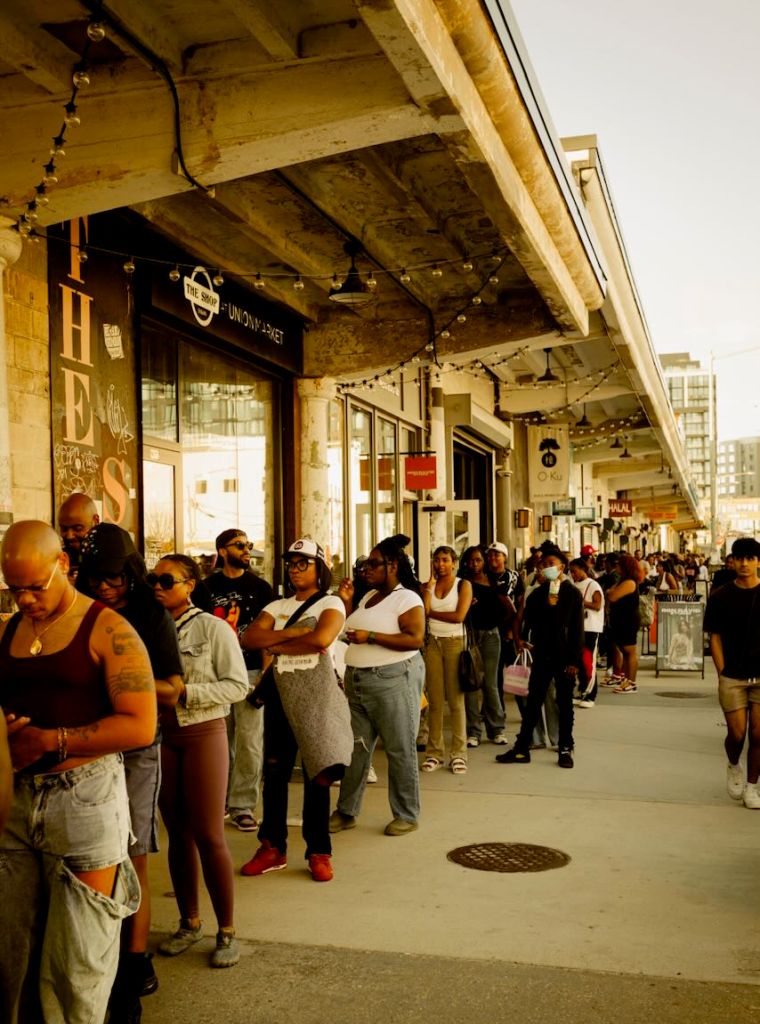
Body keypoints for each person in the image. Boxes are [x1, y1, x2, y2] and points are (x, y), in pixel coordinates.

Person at [0, 520, 155, 1024]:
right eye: (13, 588)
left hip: (85, 800)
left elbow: (140, 724)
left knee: (76, 968)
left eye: (34, 587)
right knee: (12, 957)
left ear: (62, 565)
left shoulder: (109, 628)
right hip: (17, 802)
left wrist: (51, 740)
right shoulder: (12, 628)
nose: (24, 600)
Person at [76, 523, 184, 1022]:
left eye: (114, 579)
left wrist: (122, 678)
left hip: (140, 743)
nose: (104, 588)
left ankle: (136, 955)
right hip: (91, 740)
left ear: (132, 574)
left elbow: (175, 686)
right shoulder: (82, 610)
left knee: (135, 846)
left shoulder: (148, 613)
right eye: (95, 579)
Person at [152, 554, 248, 968]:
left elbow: (238, 685)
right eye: (153, 579)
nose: (158, 585)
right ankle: (189, 922)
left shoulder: (212, 628)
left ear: (190, 584)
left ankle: (226, 930)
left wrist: (188, 693)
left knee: (209, 833)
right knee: (177, 832)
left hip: (203, 732)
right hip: (162, 735)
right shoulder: (146, 630)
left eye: (167, 579)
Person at [241, 539, 351, 879]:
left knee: (318, 773)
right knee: (274, 773)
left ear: (320, 568)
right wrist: (298, 631)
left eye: (304, 562)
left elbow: (321, 639)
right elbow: (248, 638)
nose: (295, 568)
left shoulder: (332, 602)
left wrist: (277, 639)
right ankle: (272, 846)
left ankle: (319, 851)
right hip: (280, 697)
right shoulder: (278, 604)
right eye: (291, 562)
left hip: (316, 698)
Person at [330, 534, 426, 836]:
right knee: (356, 749)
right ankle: (346, 811)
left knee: (399, 748)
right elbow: (349, 629)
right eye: (365, 564)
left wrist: (370, 638)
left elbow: (415, 638)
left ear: (393, 565)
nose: (365, 569)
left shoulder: (407, 598)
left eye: (373, 564)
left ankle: (406, 814)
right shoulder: (369, 597)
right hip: (358, 681)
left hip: (392, 680)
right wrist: (346, 603)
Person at [205, 528, 273, 833]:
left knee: (250, 742)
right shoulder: (205, 589)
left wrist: (265, 675)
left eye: (249, 544)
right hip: (215, 674)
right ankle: (217, 799)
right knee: (219, 741)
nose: (247, 549)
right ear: (222, 551)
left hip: (250, 673)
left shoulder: (261, 588)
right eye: (239, 545)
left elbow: (267, 638)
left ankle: (242, 805)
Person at [496, 545, 584, 769]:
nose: (547, 568)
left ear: (562, 567)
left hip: (564, 656)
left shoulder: (572, 593)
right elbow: (529, 619)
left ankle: (565, 746)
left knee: (564, 703)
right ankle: (522, 746)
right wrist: (523, 639)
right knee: (533, 701)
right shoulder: (537, 593)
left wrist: (574, 660)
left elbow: (577, 629)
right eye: (543, 565)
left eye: (551, 564)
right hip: (542, 653)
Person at [703, 536, 760, 809]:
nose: (745, 564)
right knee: (736, 735)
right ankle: (734, 763)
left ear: (758, 561)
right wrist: (722, 671)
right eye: (740, 558)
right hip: (733, 676)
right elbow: (714, 637)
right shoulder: (721, 596)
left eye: (750, 558)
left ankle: (752, 786)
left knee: (759, 735)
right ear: (732, 561)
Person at [419, 546, 473, 774]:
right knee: (435, 701)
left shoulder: (463, 585)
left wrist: (431, 613)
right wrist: (428, 590)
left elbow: (459, 616)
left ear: (454, 563)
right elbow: (422, 611)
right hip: (432, 643)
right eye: (436, 560)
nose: (440, 564)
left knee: (455, 700)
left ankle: (459, 753)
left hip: (454, 643)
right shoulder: (428, 585)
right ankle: (434, 753)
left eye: (444, 560)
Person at [460, 545, 510, 746]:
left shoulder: (493, 582)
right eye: (471, 560)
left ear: (484, 562)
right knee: (471, 683)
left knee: (490, 684)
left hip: (491, 635)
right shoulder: (461, 584)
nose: (474, 564)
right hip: (469, 635)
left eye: (478, 560)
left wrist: (504, 629)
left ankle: (496, 729)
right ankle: (473, 731)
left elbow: (508, 610)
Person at [568, 557, 604, 708]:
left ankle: (590, 695)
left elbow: (598, 604)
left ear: (583, 569)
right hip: (578, 628)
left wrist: (581, 603)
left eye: (575, 571)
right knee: (579, 662)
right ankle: (581, 690)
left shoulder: (593, 584)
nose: (573, 575)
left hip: (591, 628)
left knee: (589, 661)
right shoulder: (574, 585)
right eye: (571, 572)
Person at [606, 554, 642, 694]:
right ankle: (626, 680)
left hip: (628, 620)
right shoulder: (622, 580)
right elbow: (610, 592)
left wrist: (611, 591)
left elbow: (612, 595)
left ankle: (631, 682)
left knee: (630, 651)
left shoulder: (629, 582)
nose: (616, 567)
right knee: (624, 651)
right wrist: (611, 591)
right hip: (620, 620)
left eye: (619, 565)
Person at [58, 491, 100, 579]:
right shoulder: (57, 560)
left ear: (95, 521)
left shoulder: (111, 556)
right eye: (64, 529)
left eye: (78, 528)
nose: (69, 536)